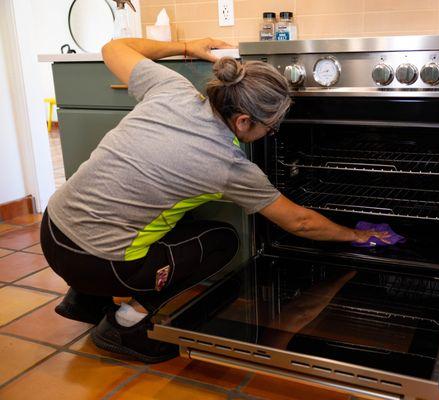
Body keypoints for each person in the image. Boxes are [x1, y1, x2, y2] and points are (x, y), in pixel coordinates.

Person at [40, 37, 390, 363]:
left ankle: (83, 298)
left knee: (153, 213)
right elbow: (299, 221)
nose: (272, 133)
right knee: (223, 240)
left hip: (52, 230)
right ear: (242, 121)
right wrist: (356, 235)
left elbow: (113, 47)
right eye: (271, 127)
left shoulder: (171, 88)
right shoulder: (228, 166)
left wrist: (185, 45)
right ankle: (124, 326)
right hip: (104, 264)